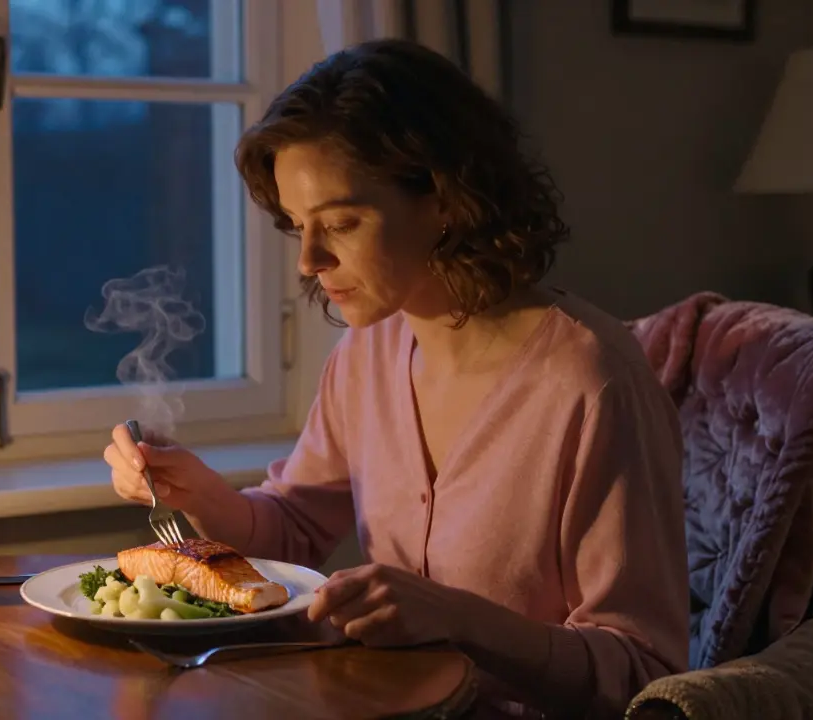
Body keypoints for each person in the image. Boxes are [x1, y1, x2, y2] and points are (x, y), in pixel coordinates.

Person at [103, 39, 688, 717]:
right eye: (297, 226)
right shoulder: (367, 353)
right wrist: (200, 493)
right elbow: (295, 526)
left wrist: (461, 618)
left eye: (341, 223)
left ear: (445, 200)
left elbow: (643, 673)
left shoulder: (592, 383)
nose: (308, 260)